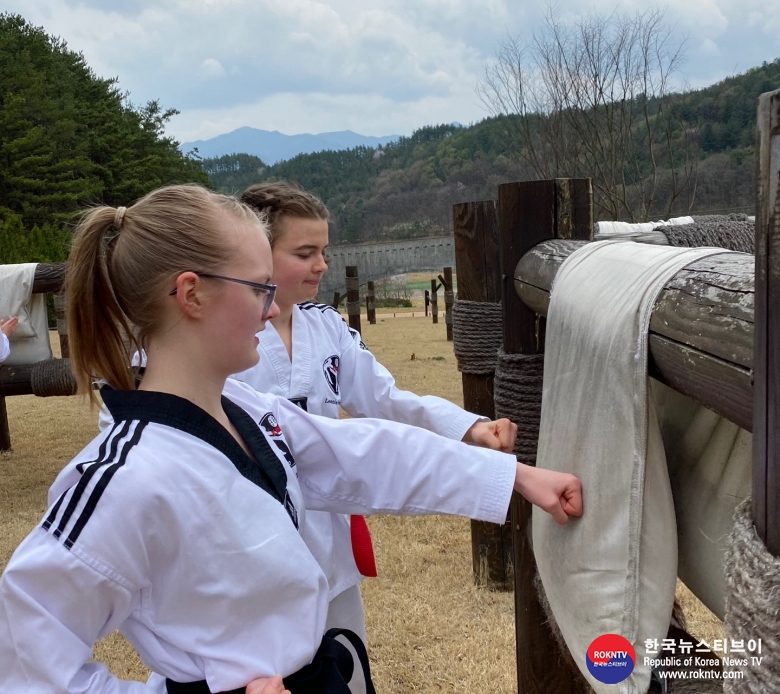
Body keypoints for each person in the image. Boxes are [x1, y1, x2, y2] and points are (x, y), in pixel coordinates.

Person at [0, 184, 582, 693]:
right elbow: (27, 652)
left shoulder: (248, 410)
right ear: (191, 293)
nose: (273, 306)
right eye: (258, 288)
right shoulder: (123, 476)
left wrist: (515, 476)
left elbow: (365, 453)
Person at [234, 182, 518, 649]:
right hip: (251, 541)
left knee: (342, 663)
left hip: (326, 537)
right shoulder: (224, 337)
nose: (321, 265)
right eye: (305, 253)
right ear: (257, 252)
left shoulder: (326, 327)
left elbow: (384, 399)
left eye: (324, 251)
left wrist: (467, 427)